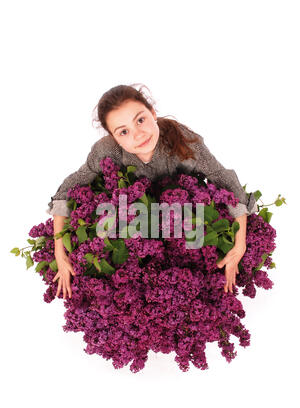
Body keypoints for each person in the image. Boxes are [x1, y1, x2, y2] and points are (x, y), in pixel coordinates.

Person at [48, 84, 258, 300]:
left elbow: (223, 180)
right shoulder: (106, 151)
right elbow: (68, 190)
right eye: (123, 132)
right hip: (131, 224)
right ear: (114, 137)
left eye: (140, 120)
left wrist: (239, 243)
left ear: (153, 113)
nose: (138, 135)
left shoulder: (182, 140)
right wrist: (60, 253)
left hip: (181, 219)